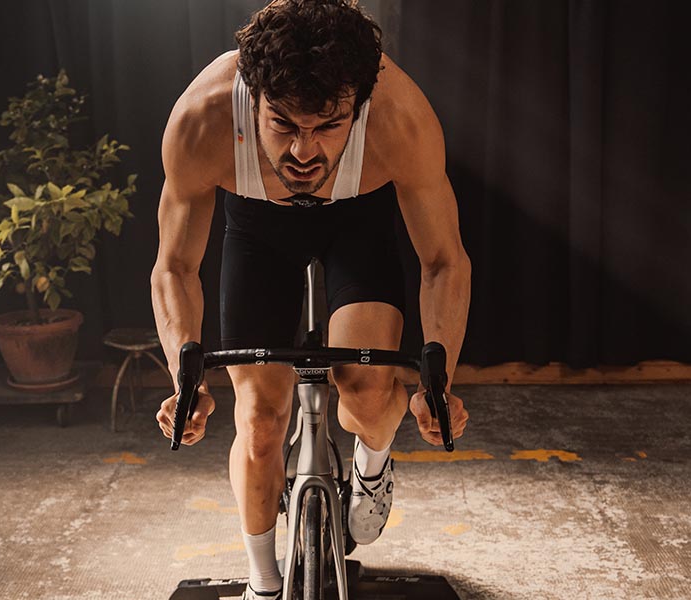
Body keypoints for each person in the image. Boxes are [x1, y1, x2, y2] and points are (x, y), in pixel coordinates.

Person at [152, 1, 471, 598]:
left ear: (359, 104)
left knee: (372, 389)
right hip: (256, 232)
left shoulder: (399, 118)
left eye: (327, 126)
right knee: (259, 420)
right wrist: (185, 377)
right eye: (284, 125)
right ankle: (263, 580)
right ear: (253, 98)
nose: (304, 152)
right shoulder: (202, 119)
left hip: (358, 223)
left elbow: (444, 261)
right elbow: (174, 265)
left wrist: (438, 378)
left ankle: (371, 469)